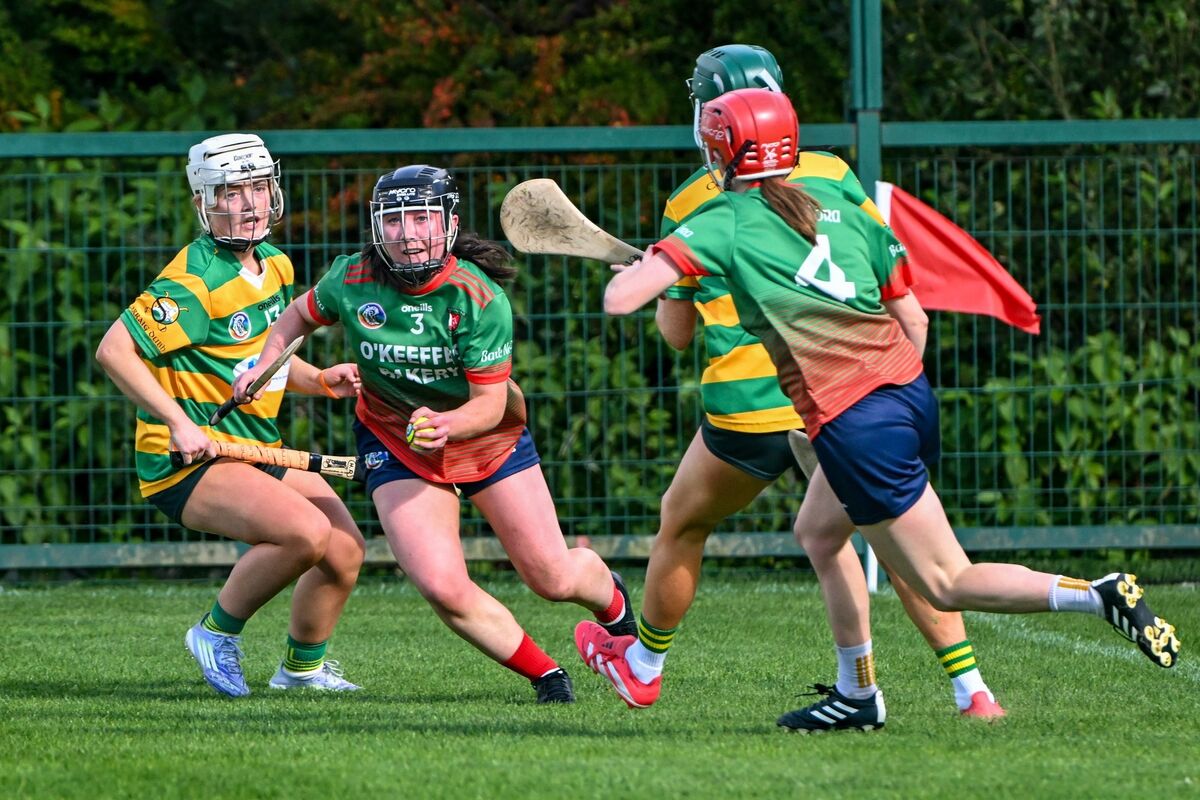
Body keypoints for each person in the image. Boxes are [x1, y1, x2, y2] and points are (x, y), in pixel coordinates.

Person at [575, 87, 1180, 730]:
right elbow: (912, 318)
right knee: (819, 532)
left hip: (856, 425)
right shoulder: (837, 198)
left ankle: (1096, 594)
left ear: (723, 152)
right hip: (909, 396)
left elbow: (621, 301)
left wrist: (650, 266)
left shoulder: (719, 219)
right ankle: (857, 694)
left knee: (947, 579)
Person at [575, 44, 1005, 723]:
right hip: (846, 386)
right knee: (892, 541)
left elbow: (678, 334)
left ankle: (646, 665)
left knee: (683, 522)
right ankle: (970, 690)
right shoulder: (832, 172)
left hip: (750, 403)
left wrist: (661, 285)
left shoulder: (691, 201)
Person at [234, 164, 636, 704]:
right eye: (394, 220)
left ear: (448, 222)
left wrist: (447, 425)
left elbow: (490, 404)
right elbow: (294, 321)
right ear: (377, 226)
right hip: (396, 441)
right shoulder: (351, 278)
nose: (407, 233)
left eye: (421, 217)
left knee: (553, 578)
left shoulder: (478, 297)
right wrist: (264, 366)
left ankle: (615, 608)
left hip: (485, 437)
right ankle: (548, 677)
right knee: (442, 586)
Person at [95, 133, 367, 698]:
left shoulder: (275, 265)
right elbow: (113, 351)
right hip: (185, 462)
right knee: (304, 534)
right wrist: (178, 423)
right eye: (230, 192)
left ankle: (301, 670)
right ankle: (214, 633)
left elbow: (261, 358)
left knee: (343, 547)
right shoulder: (193, 281)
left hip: (253, 446)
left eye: (257, 188)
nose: (248, 204)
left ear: (275, 192)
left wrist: (319, 380)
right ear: (203, 202)